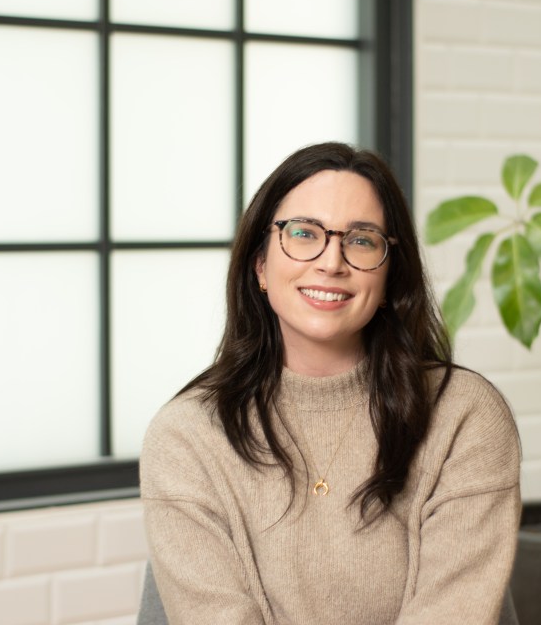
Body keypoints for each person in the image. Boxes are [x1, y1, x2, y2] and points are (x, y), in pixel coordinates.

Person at [140, 142, 521, 625]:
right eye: (303, 233)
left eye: (362, 240)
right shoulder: (187, 434)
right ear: (260, 264)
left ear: (388, 275)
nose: (331, 262)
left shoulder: (463, 414)